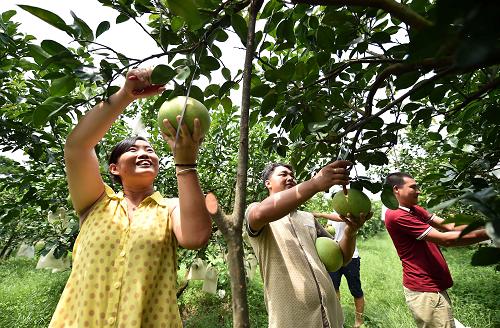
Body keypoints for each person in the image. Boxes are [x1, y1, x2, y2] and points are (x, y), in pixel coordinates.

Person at [49, 68, 211, 327]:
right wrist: (125, 94)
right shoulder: (96, 203)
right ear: (114, 168)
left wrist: (186, 162)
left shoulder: (170, 208)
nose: (144, 152)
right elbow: (76, 147)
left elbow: (195, 237)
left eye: (150, 149)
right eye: (133, 150)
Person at [245, 162, 371, 328]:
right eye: (283, 174)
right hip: (294, 320)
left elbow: (341, 259)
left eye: (292, 175)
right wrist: (315, 183)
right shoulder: (257, 212)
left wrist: (350, 232)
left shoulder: (308, 218)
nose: (290, 177)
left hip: (330, 315)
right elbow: (260, 213)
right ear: (267, 183)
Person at [384, 172, 490, 328]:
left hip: (432, 286)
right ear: (396, 189)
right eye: (413, 187)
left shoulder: (412, 209)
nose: (418, 190)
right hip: (425, 290)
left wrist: (487, 226)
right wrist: (491, 232)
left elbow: (448, 225)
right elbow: (445, 239)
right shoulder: (397, 215)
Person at [313, 212, 365, 328]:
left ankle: (359, 320)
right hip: (334, 256)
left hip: (351, 257)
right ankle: (336, 315)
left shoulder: (350, 212)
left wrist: (319, 214)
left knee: (356, 290)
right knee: (333, 288)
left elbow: (342, 218)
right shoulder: (332, 214)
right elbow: (329, 232)